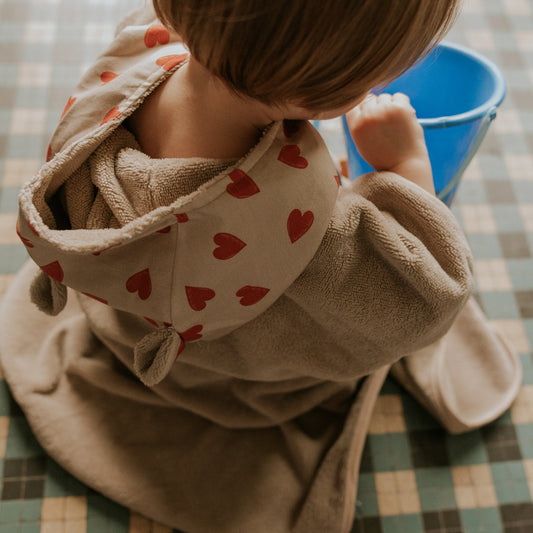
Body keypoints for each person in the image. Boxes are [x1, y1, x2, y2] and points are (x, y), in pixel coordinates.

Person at [0, 1, 521, 532]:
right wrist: (403, 165)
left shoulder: (138, 49)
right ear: (328, 97)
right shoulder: (305, 231)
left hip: (128, 329)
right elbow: (420, 292)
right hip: (231, 378)